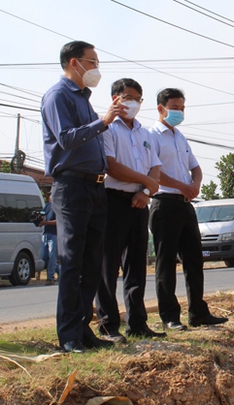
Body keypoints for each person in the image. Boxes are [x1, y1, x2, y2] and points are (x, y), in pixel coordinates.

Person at [41, 40, 127, 353]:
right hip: (71, 187)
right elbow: (65, 138)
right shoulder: (57, 96)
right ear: (74, 63)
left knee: (92, 262)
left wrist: (101, 122)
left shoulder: (85, 100)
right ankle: (68, 336)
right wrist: (102, 122)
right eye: (92, 61)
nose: (96, 68)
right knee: (72, 261)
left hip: (95, 187)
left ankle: (83, 329)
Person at [148, 88, 228, 330]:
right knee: (166, 262)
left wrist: (194, 185)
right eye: (174, 107)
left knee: (194, 260)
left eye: (182, 108)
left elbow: (196, 168)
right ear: (161, 108)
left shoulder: (179, 137)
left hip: (185, 205)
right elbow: (154, 172)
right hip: (164, 204)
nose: (179, 112)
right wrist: (182, 186)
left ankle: (198, 312)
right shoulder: (151, 136)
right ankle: (170, 317)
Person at [95, 78, 166, 343]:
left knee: (136, 265)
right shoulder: (107, 129)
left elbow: (155, 167)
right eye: (128, 97)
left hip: (139, 203)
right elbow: (111, 166)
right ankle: (107, 326)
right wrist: (147, 181)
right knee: (108, 265)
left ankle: (137, 323)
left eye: (138, 98)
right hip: (112, 200)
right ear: (115, 98)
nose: (134, 103)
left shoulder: (145, 133)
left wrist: (146, 191)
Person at [38, 193, 58, 286]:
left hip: (54, 234)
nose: (50, 196)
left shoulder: (59, 206)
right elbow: (43, 214)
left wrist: (45, 222)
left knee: (52, 256)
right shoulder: (47, 206)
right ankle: (59, 269)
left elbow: (59, 221)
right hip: (45, 234)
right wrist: (39, 219)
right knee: (44, 256)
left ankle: (50, 278)